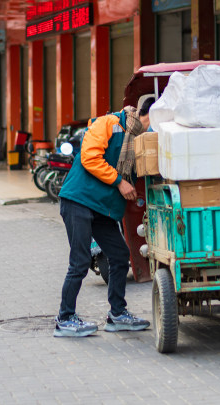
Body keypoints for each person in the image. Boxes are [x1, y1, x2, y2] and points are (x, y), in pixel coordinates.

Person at [53, 97, 156, 337]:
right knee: (79, 261)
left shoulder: (140, 141)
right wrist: (120, 182)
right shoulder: (108, 123)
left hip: (102, 208)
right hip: (78, 201)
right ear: (148, 113)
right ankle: (65, 318)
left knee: (120, 255)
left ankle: (117, 314)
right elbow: (90, 158)